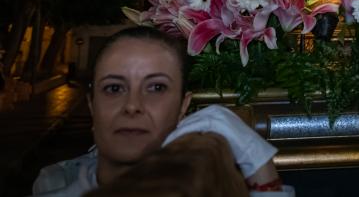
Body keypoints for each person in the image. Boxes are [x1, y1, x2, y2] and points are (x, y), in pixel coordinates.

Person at [32, 26, 292, 196]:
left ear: (183, 106)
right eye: (113, 88)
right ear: (91, 104)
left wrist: (256, 157)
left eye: (156, 87)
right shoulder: (52, 185)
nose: (132, 105)